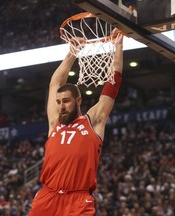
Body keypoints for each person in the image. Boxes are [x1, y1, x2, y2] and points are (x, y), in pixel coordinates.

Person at [28, 29, 124, 215]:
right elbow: (54, 84)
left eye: (66, 101)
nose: (61, 106)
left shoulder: (93, 121)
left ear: (78, 101)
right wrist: (72, 52)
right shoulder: (54, 122)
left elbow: (112, 86)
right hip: (48, 196)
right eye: (58, 102)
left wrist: (118, 47)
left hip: (78, 199)